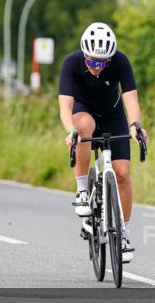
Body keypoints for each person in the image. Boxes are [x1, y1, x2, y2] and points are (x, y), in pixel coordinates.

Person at [58, 22, 147, 263]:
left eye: (102, 63)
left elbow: (131, 100)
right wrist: (71, 130)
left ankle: (124, 234)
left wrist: (134, 125)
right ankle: (82, 190)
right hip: (83, 111)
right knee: (84, 127)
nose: (97, 68)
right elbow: (65, 105)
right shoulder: (71, 63)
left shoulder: (120, 61)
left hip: (112, 114)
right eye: (92, 62)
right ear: (84, 54)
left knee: (123, 174)